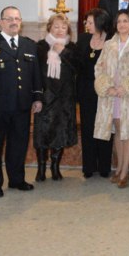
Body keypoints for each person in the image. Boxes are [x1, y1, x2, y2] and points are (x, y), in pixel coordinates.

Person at [0, 6, 43, 198]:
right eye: (9, 18)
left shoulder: (29, 45)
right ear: (1, 22)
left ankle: (16, 179)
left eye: (17, 19)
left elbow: (35, 74)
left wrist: (37, 97)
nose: (14, 22)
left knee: (18, 145)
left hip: (21, 105)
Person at [94, 10, 129, 188]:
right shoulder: (109, 44)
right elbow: (99, 67)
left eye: (126, 21)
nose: (122, 24)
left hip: (128, 95)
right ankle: (119, 167)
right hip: (112, 95)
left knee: (127, 131)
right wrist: (108, 87)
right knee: (116, 128)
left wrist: (127, 87)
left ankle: (124, 171)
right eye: (119, 21)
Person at [33, 14, 79, 182]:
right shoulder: (40, 47)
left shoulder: (72, 48)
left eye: (63, 27)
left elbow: (78, 68)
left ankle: (55, 167)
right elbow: (35, 73)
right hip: (45, 96)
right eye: (56, 27)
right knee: (42, 133)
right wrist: (36, 96)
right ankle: (41, 168)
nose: (60, 30)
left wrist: (63, 52)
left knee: (60, 133)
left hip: (64, 98)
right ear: (49, 28)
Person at [76, 8, 113, 179]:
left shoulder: (112, 40)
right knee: (88, 126)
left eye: (90, 22)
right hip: (86, 89)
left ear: (100, 23)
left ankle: (104, 166)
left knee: (104, 126)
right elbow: (76, 63)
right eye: (86, 22)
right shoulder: (83, 39)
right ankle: (89, 166)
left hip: (105, 90)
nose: (87, 25)